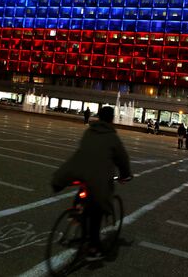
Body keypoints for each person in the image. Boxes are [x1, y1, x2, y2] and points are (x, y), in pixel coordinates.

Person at [51, 106, 132, 261]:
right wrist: (126, 175)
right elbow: (122, 160)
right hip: (98, 179)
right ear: (112, 119)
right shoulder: (112, 137)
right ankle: (94, 248)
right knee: (96, 212)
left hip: (80, 171)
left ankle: (77, 211)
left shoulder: (89, 131)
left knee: (84, 189)